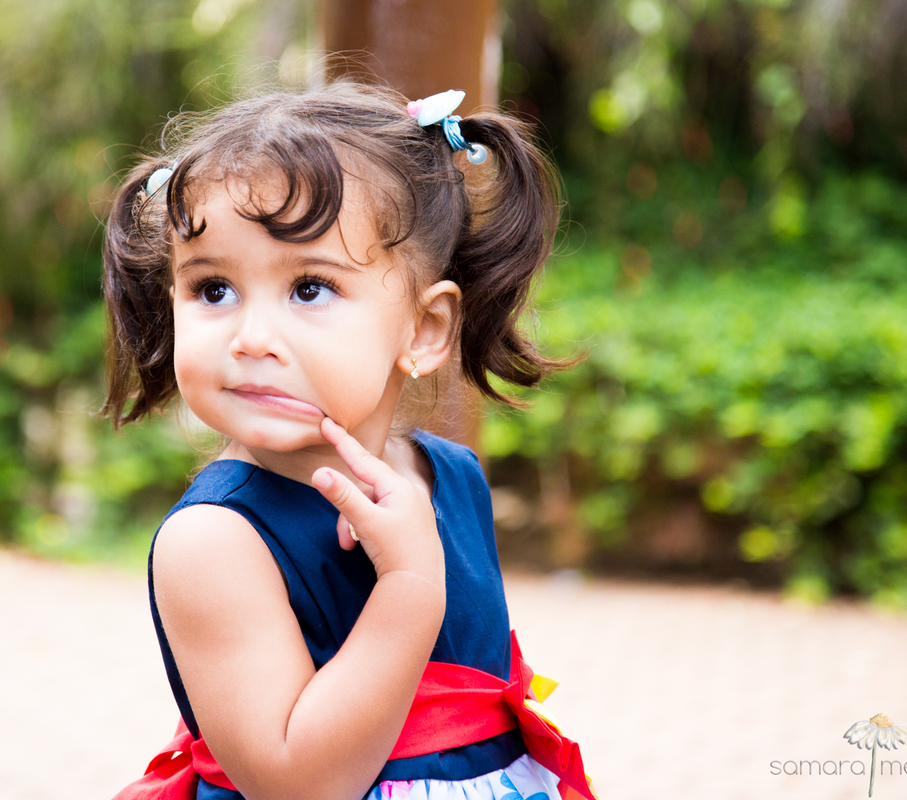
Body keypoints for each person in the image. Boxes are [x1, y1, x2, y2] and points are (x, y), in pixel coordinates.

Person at [102, 82, 594, 800]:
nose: (251, 338)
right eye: (212, 289)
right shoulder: (214, 541)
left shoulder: (450, 476)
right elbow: (296, 781)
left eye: (309, 289)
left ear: (424, 330)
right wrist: (408, 587)